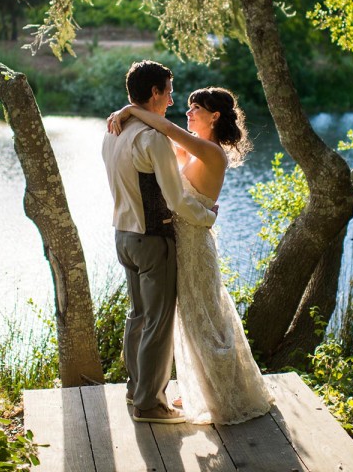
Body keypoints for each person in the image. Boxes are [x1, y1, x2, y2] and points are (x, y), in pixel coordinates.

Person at [108, 84, 273, 425]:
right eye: (186, 108)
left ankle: (228, 395)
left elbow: (166, 128)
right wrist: (130, 118)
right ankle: (201, 387)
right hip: (179, 243)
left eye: (194, 108)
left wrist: (130, 110)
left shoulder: (212, 152)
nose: (187, 113)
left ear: (214, 116)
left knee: (206, 320)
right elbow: (160, 145)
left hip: (195, 245)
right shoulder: (192, 152)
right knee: (190, 320)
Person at [101, 60, 218, 425]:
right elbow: (177, 201)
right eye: (168, 92)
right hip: (153, 240)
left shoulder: (113, 130)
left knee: (138, 316)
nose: (170, 100)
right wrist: (209, 217)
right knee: (158, 322)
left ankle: (136, 390)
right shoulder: (153, 139)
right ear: (154, 92)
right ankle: (150, 404)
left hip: (123, 235)